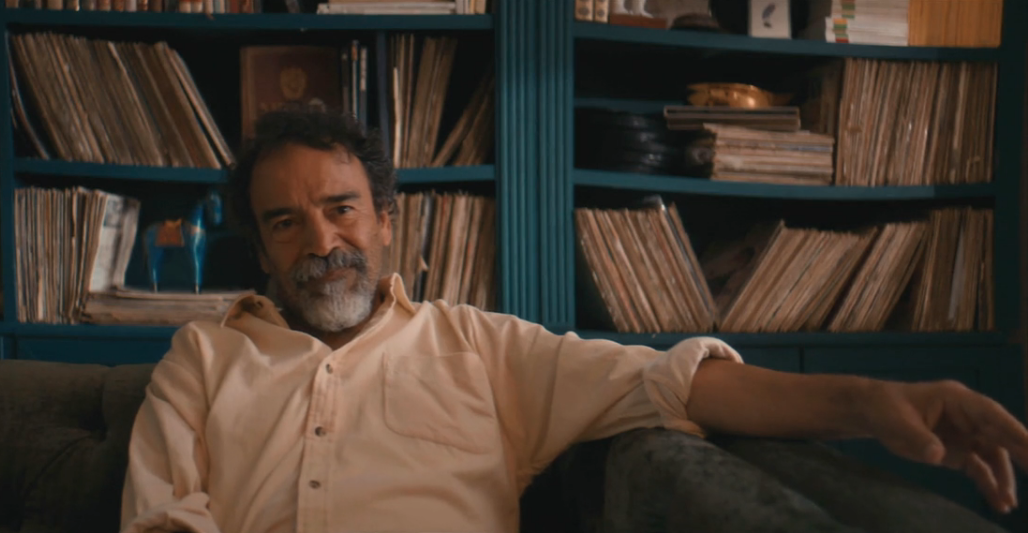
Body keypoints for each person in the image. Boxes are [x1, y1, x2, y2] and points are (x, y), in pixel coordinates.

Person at [120, 109, 1028, 533]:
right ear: (262, 247)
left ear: (386, 220)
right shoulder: (202, 357)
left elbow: (677, 384)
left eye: (341, 208)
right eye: (287, 222)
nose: (322, 243)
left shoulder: (481, 347)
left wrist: (870, 402)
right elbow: (162, 520)